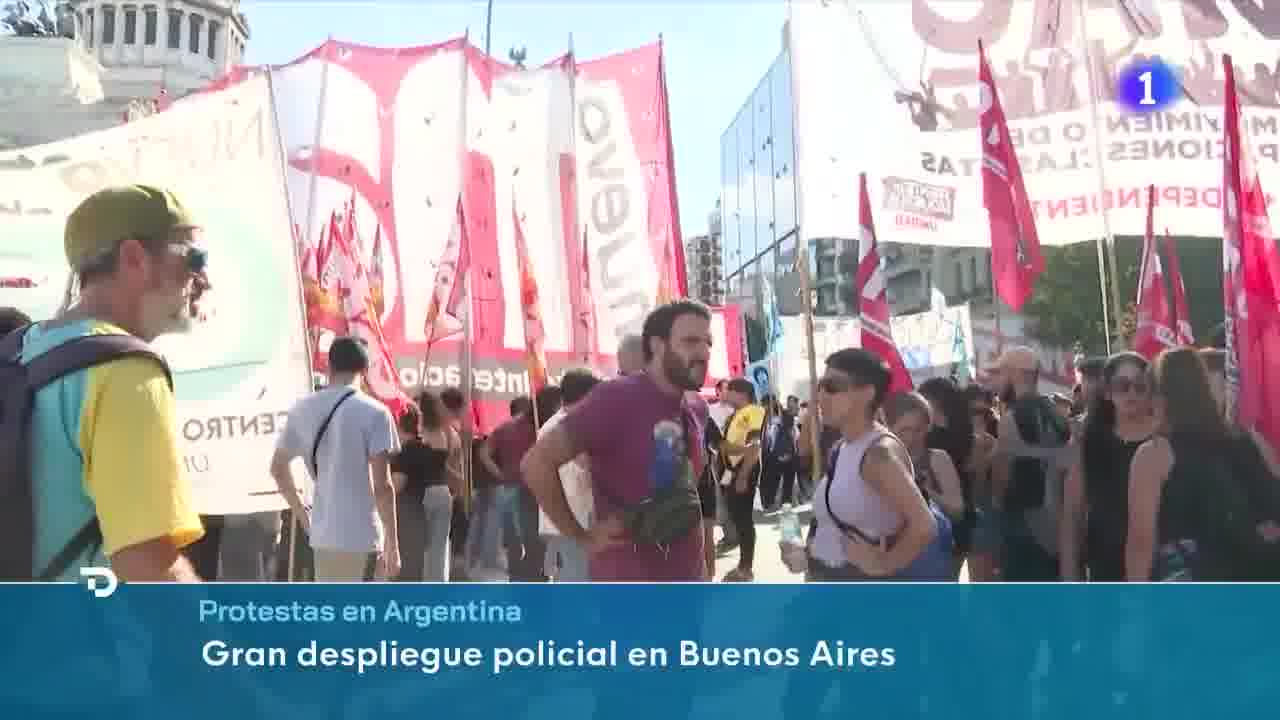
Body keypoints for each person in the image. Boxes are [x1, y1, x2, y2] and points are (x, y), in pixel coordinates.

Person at [12, 185, 209, 581]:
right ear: (134, 257)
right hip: (87, 637)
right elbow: (147, 565)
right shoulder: (125, 371)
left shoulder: (21, 349)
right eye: (193, 258)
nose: (202, 278)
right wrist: (215, 642)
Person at [523, 300, 712, 582]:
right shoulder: (616, 398)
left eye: (708, 342)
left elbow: (689, 496)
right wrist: (581, 536)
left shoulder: (696, 407)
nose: (703, 352)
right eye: (690, 341)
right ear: (658, 345)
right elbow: (536, 463)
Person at [779, 348, 943, 581]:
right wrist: (805, 555)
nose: (820, 396)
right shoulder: (842, 447)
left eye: (832, 387)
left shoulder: (878, 453)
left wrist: (884, 564)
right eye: (820, 387)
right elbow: (844, 530)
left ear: (867, 393)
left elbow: (925, 526)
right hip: (832, 583)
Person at [1128, 348, 1280, 581]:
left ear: (1160, 399)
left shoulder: (1153, 456)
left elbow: (1141, 543)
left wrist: (1136, 606)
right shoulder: (1251, 440)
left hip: (1195, 595)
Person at [270, 336, 401, 581]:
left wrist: (303, 515)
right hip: (364, 535)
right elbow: (383, 487)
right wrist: (393, 542)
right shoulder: (376, 413)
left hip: (323, 534)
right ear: (364, 370)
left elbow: (278, 468)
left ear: (329, 366)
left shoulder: (302, 409)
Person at [1059, 352, 1155, 582]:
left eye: (1140, 386)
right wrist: (1070, 578)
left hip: (1158, 566)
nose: (1131, 393)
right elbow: (1073, 512)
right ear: (1108, 392)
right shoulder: (1088, 440)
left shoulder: (1164, 438)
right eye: (1123, 386)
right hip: (1106, 565)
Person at [991, 346, 1070, 581]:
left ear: (1015, 374)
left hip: (1025, 531)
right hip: (1057, 531)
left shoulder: (1010, 418)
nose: (996, 381)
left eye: (1000, 373)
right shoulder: (1055, 413)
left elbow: (1001, 482)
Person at [538, 368, 601, 582]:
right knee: (576, 582)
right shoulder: (565, 426)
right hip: (572, 519)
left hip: (567, 518)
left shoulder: (558, 423)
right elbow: (588, 464)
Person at [391, 394, 460, 582]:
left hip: (422, 492)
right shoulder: (448, 433)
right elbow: (448, 464)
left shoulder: (419, 437)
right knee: (439, 546)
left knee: (417, 544)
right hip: (443, 492)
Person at [719, 378, 766, 581]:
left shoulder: (754, 411)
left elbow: (754, 447)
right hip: (729, 472)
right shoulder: (734, 415)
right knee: (737, 517)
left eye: (728, 390)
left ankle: (746, 568)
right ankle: (742, 564)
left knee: (744, 519)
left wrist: (744, 475)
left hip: (743, 470)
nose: (725, 394)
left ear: (741, 393)